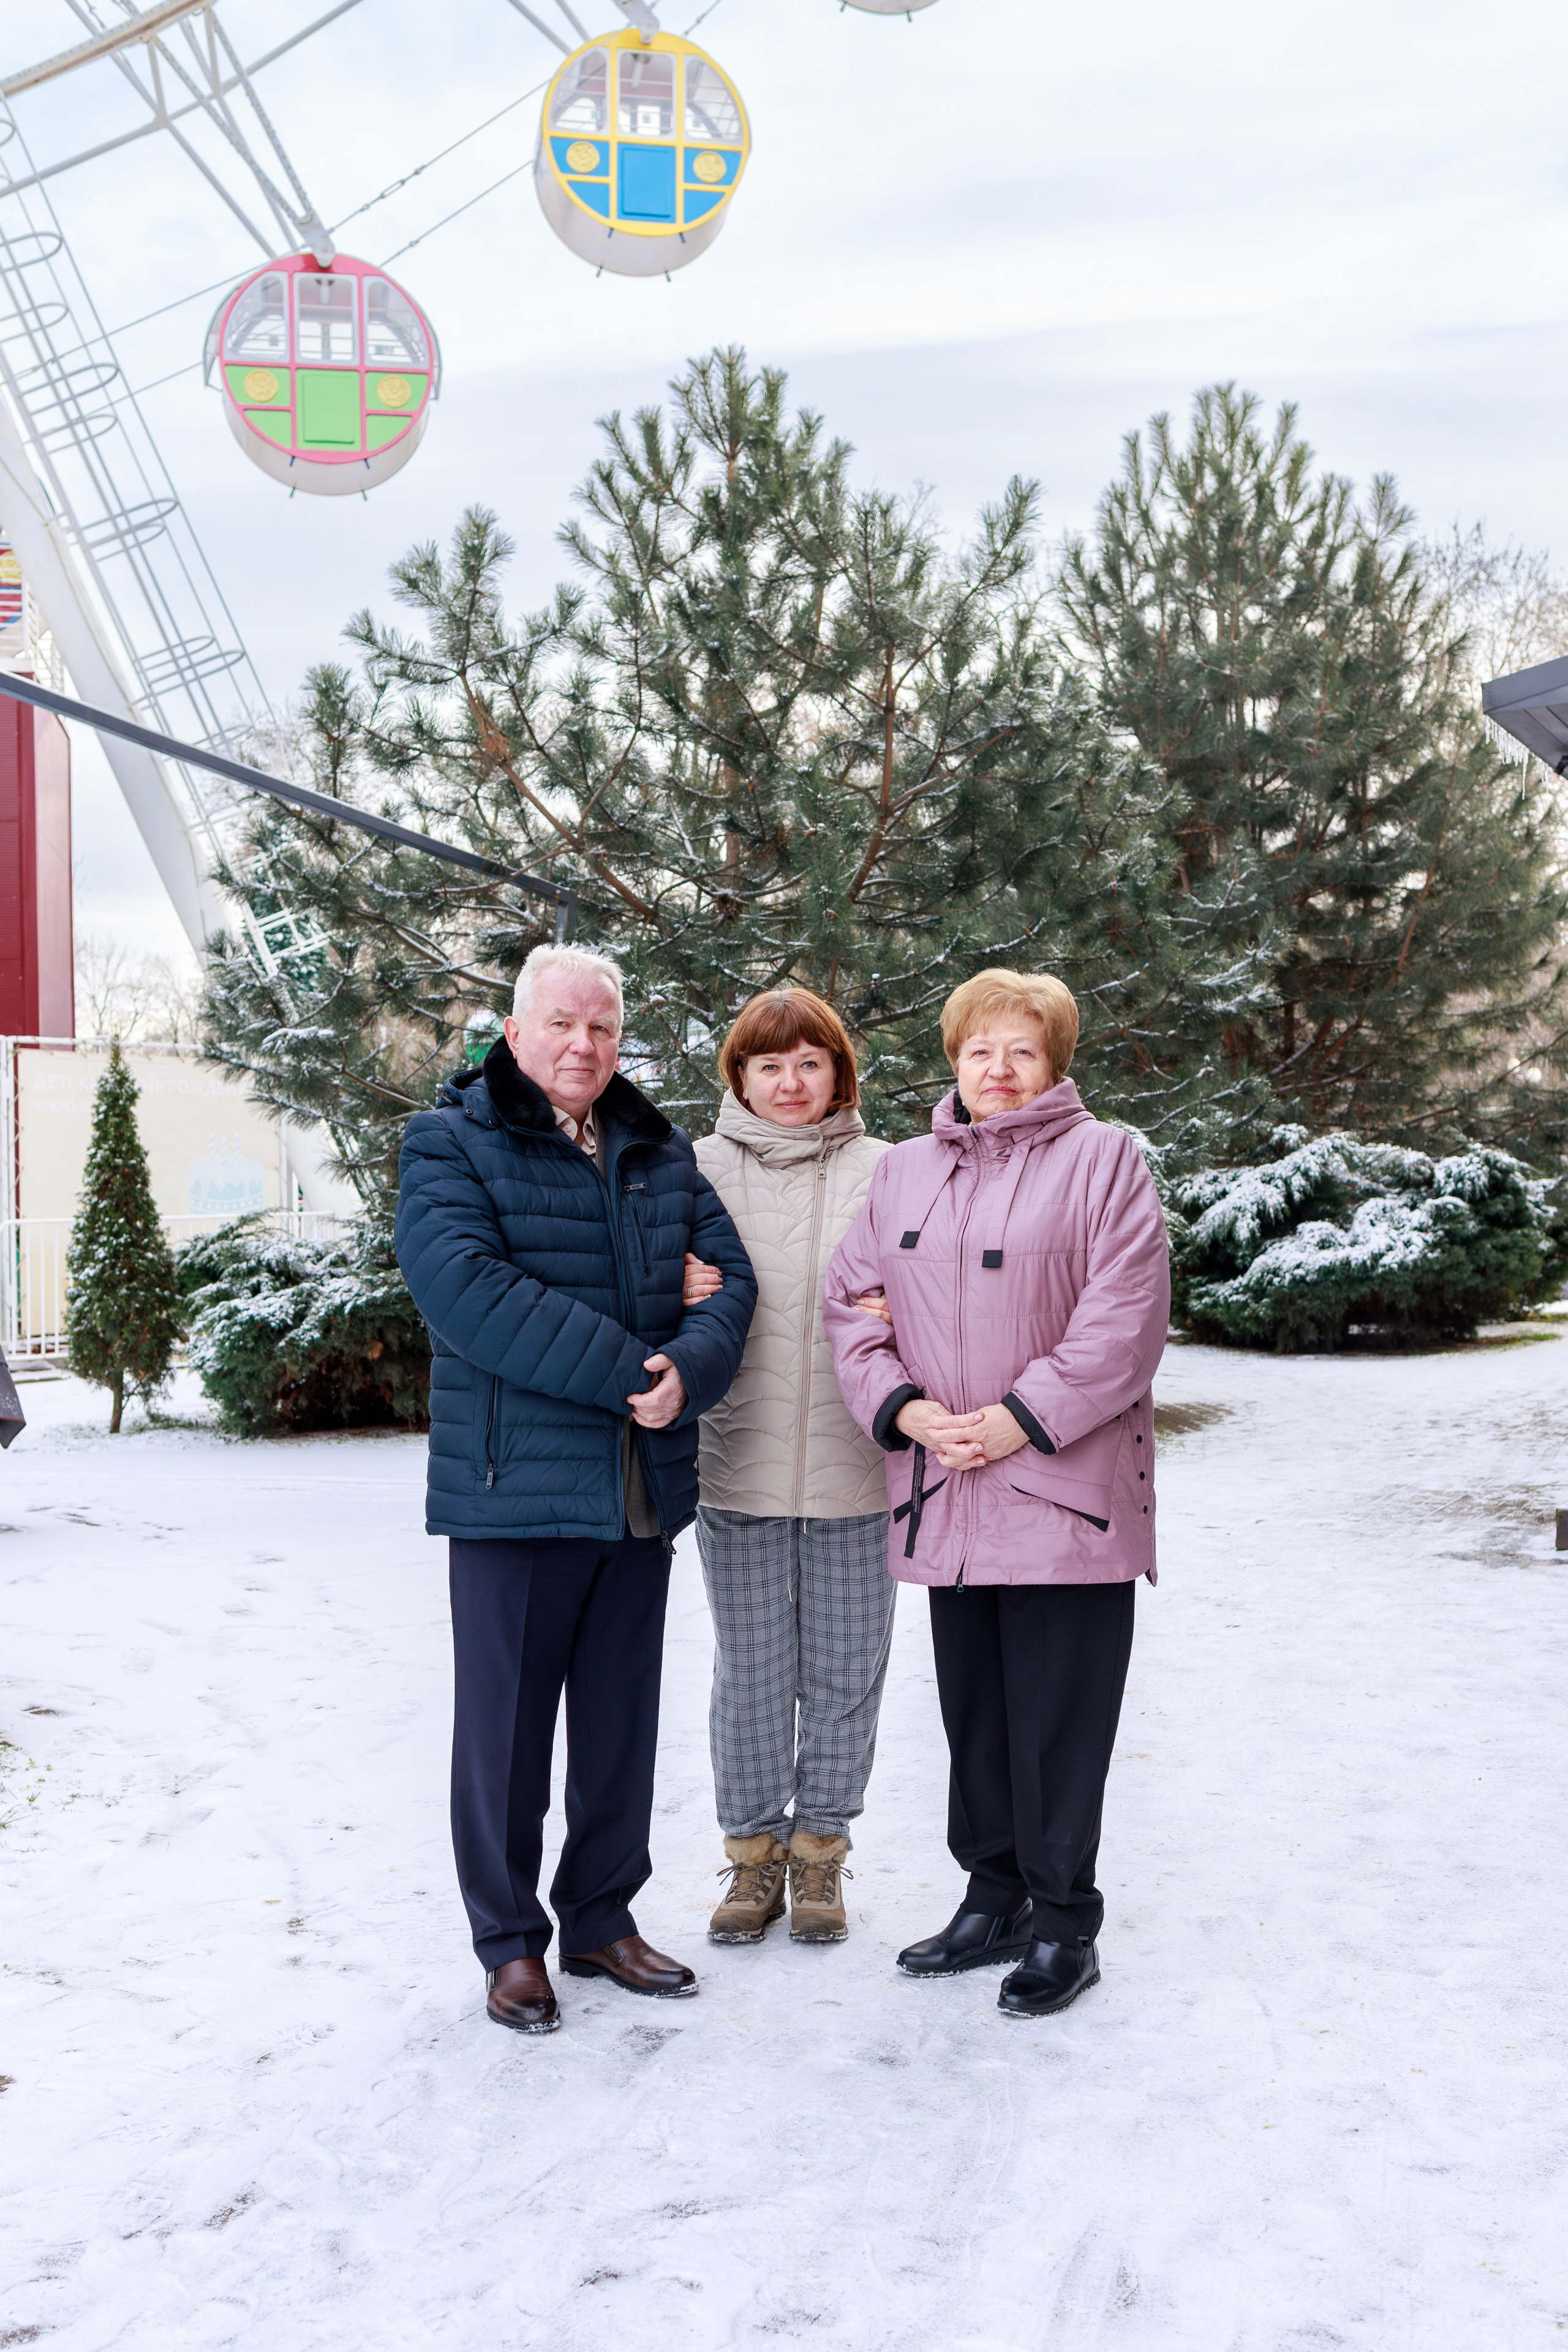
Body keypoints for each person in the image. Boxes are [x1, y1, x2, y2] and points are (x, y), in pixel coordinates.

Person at [395, 944, 756, 2035]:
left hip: (634, 1493)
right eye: (561, 1023)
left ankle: (600, 1916)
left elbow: (731, 1281)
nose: (583, 1045)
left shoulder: (657, 1150)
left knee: (616, 1729)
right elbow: (467, 1290)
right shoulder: (451, 1142)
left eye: (602, 1027)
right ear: (515, 1031)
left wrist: (691, 1366)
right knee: (504, 1736)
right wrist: (633, 1372)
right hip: (513, 1494)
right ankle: (510, 1945)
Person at [824, 969, 1170, 2018]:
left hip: (1060, 1491)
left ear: (1055, 1062)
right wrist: (905, 1409)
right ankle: (994, 1897)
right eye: (981, 1050)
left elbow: (1125, 1320)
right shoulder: (905, 1175)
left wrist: (1017, 1419)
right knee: (976, 1715)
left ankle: (1064, 1924)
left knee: (1059, 1722)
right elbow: (851, 1306)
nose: (999, 1070)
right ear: (953, 1061)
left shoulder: (1106, 1161)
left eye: (1022, 1050)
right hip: (948, 1493)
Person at [684, 989, 894, 1947]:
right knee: (754, 1671)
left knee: (847, 1669)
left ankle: (819, 1857)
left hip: (857, 1463)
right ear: (739, 1077)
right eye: (769, 1065)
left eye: (810, 1062)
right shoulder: (691, 1173)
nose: (791, 1081)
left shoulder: (892, 1171)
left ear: (839, 1073)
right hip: (738, 1462)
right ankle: (751, 1858)